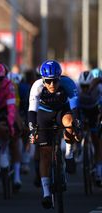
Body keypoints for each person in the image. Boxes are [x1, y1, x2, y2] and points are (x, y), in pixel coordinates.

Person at [28, 59, 81, 209]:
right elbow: (32, 111)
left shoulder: (68, 84)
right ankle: (46, 193)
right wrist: (32, 129)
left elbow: (75, 107)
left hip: (62, 112)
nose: (52, 85)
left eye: (55, 81)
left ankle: (69, 154)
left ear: (60, 78)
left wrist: (77, 125)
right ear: (43, 79)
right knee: (45, 153)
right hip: (44, 115)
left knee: (70, 123)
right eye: (48, 81)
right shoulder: (37, 86)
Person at [0, 62, 22, 191]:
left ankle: (2, 151)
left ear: (4, 79)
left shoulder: (9, 85)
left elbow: (11, 108)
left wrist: (10, 124)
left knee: (6, 129)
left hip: (3, 110)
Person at [77, 71, 102, 187]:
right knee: (77, 129)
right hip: (82, 109)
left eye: (88, 86)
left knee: (97, 140)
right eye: (83, 86)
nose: (85, 89)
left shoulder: (99, 88)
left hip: (94, 110)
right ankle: (78, 148)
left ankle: (98, 169)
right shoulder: (76, 88)